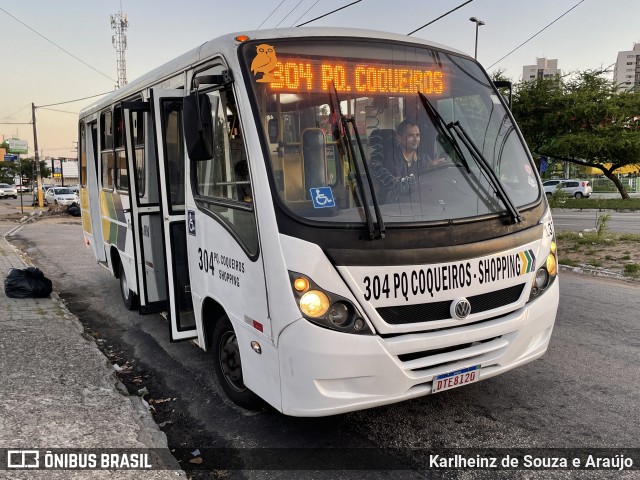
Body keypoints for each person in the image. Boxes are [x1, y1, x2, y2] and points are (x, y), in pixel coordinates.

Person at [370, 118, 445, 202]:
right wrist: (426, 169)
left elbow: (430, 185)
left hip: (420, 203)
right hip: (394, 206)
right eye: (410, 135)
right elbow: (399, 186)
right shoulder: (389, 157)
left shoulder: (424, 157)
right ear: (399, 138)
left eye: (417, 135)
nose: (415, 139)